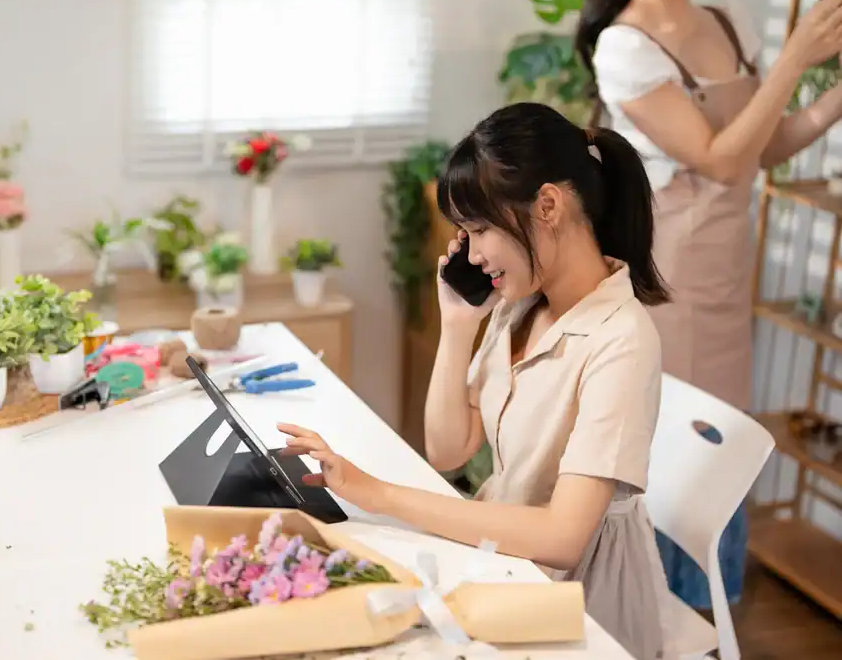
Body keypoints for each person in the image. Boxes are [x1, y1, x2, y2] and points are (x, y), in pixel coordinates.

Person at [279, 101, 674, 660]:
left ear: (547, 205)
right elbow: (448, 448)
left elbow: (564, 538)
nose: (472, 251)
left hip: (579, 595)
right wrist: (459, 322)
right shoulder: (521, 305)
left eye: (480, 228)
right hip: (505, 554)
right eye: (466, 232)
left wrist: (381, 493)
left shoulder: (622, 341)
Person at [575, 0, 842, 613]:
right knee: (670, 451)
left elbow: (762, 148)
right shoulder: (625, 45)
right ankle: (650, 617)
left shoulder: (725, 16)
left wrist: (832, 97)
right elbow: (719, 162)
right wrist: (797, 57)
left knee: (723, 447)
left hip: (724, 275)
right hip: (668, 275)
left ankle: (707, 612)